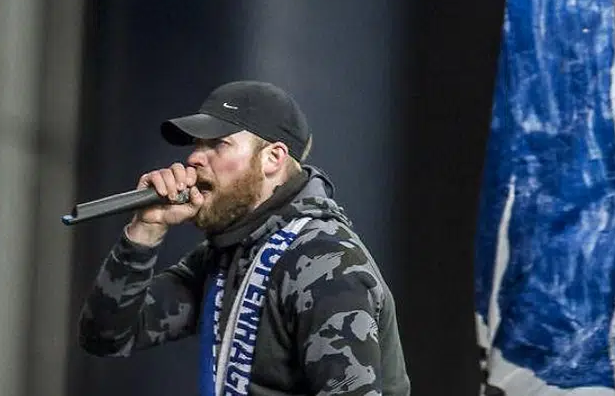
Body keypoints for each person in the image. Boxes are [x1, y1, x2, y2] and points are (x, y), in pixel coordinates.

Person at [78, 80, 410, 396]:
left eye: (217, 144)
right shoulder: (229, 253)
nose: (194, 158)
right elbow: (105, 335)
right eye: (197, 144)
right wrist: (146, 229)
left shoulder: (325, 261)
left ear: (273, 158)